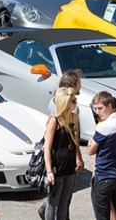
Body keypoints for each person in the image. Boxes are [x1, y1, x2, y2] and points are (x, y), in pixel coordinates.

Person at [87, 91, 116, 220]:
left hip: (104, 177)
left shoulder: (103, 126)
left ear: (110, 106)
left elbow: (90, 151)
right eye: (95, 109)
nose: (98, 112)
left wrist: (91, 143)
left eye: (100, 108)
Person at [43, 87, 84, 220]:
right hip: (57, 168)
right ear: (65, 102)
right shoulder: (54, 121)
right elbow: (47, 148)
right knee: (52, 203)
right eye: (73, 100)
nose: (76, 102)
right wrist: (49, 171)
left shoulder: (74, 117)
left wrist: (79, 158)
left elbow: (76, 141)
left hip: (70, 166)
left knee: (64, 202)